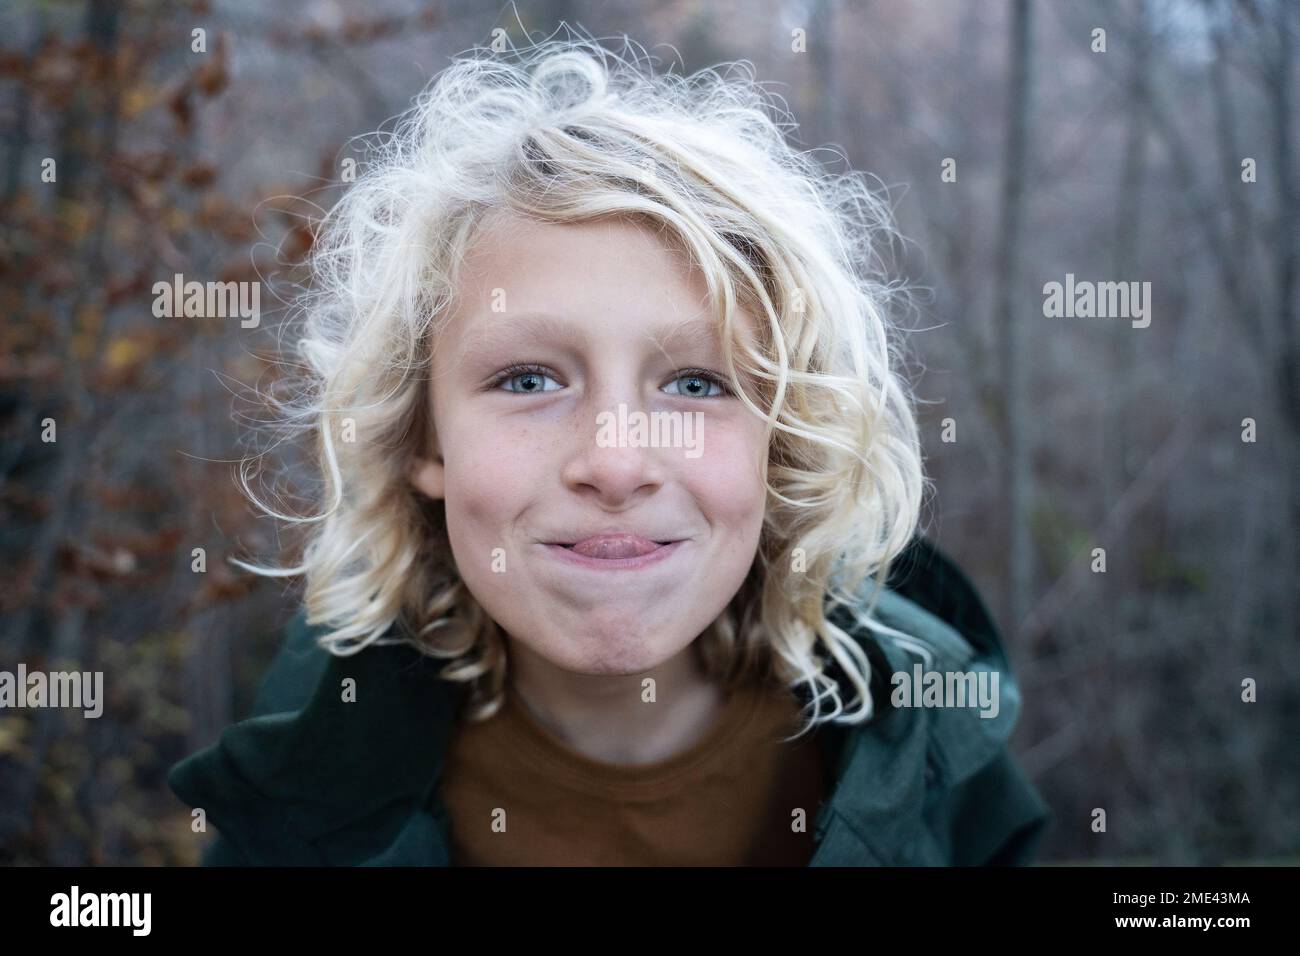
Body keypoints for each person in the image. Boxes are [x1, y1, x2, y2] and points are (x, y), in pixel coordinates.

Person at [167, 30, 1050, 866]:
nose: (618, 464)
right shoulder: (305, 779)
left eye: (695, 385)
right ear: (422, 439)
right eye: (528, 380)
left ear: (779, 441)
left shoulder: (934, 747)